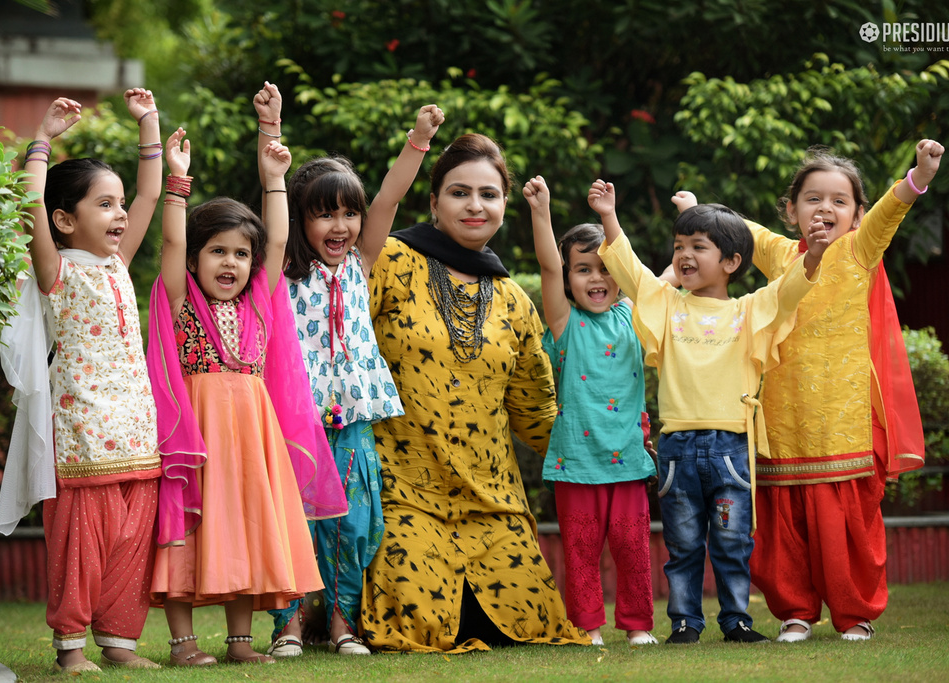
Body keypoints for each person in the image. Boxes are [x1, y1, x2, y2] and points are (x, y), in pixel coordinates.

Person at [360, 133, 591, 652]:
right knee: (413, 628)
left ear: (505, 204)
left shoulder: (513, 300)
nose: (474, 206)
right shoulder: (391, 262)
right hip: (404, 491)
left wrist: (606, 444)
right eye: (459, 192)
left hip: (492, 499)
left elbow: (536, 409)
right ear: (435, 202)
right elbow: (340, 347)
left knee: (533, 625)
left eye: (488, 194)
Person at [588, 178, 829, 645]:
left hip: (731, 449)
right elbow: (634, 273)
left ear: (732, 262)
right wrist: (608, 216)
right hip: (678, 447)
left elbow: (790, 290)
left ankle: (736, 620)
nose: (685, 255)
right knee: (682, 546)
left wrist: (814, 255)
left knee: (734, 542)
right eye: (680, 245)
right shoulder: (667, 305)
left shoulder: (749, 311)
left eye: (699, 246)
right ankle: (684, 623)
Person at [253, 82, 444, 656]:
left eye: (348, 213)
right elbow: (275, 210)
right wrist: (271, 133)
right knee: (296, 520)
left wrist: (419, 141)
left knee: (353, 523)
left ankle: (341, 623)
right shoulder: (283, 265)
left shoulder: (362, 261)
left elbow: (386, 199)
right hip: (296, 414)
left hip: (353, 415)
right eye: (324, 214)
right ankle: (288, 623)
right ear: (302, 221)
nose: (340, 226)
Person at [146, 125, 345, 666]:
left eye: (239, 253)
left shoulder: (260, 300)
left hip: (251, 437)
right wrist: (178, 183)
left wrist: (276, 180)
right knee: (189, 526)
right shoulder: (182, 299)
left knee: (247, 525)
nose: (229, 263)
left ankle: (240, 642)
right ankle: (183, 643)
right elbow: (169, 241)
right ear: (194, 259)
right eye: (216, 252)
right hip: (197, 435)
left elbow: (278, 240)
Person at [741, 141, 941, 642]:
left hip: (845, 416)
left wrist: (919, 174)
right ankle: (795, 613)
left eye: (839, 201)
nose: (824, 209)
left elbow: (894, 207)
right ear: (791, 211)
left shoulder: (860, 249)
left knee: (847, 522)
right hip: (785, 418)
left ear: (856, 215)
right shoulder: (779, 255)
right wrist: (693, 209)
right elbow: (735, 228)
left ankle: (854, 615)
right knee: (785, 521)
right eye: (812, 199)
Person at [0, 91, 164, 673]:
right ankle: (71, 646)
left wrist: (150, 127)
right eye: (105, 204)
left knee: (131, 540)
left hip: (137, 429)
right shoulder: (57, 269)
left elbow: (150, 193)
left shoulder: (119, 263)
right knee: (80, 541)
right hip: (83, 433)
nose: (121, 214)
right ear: (66, 220)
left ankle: (120, 641)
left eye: (119, 205)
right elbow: (30, 206)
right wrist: (42, 140)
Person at [522, 175, 657, 647]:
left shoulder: (635, 313)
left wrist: (608, 217)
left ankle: (638, 625)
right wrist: (542, 211)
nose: (596, 278)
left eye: (604, 268)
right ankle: (588, 627)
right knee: (580, 551)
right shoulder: (564, 321)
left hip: (627, 461)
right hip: (576, 463)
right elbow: (548, 266)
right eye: (583, 270)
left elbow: (634, 268)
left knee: (633, 548)